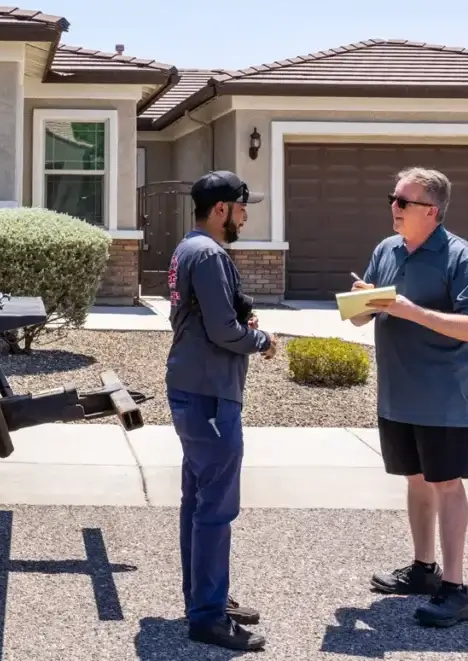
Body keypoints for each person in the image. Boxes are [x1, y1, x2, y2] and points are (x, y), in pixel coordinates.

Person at [350, 166, 468, 628]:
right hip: (397, 394)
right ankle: (423, 569)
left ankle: (455, 589)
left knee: (446, 485)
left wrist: (412, 312)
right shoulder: (386, 250)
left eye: (402, 202)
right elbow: (361, 319)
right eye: (392, 198)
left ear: (430, 211)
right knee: (415, 479)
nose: (393, 207)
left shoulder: (458, 256)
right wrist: (361, 302)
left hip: (441, 398)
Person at [165, 170, 277, 652]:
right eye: (242, 206)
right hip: (209, 394)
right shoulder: (208, 254)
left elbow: (210, 316)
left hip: (196, 387)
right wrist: (263, 341)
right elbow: (223, 333)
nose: (246, 215)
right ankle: (207, 616)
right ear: (221, 210)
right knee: (216, 506)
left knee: (199, 499)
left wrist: (237, 319)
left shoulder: (188, 247)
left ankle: (205, 599)